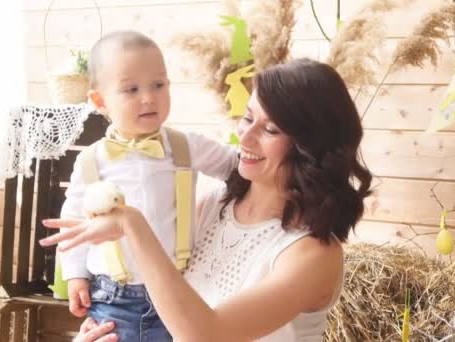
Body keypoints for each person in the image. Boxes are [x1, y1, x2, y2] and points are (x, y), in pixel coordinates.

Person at [42, 58, 373, 341]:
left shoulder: (313, 254)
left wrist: (132, 224)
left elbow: (205, 334)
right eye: (247, 118)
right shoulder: (214, 206)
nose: (245, 136)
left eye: (270, 130)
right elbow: (165, 314)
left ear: (309, 147)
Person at [59, 30, 238, 341]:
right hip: (113, 300)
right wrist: (75, 275)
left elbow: (236, 166)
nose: (148, 97)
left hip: (178, 292)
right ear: (101, 101)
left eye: (159, 85)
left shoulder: (187, 146)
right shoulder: (91, 162)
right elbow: (74, 224)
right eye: (131, 89)